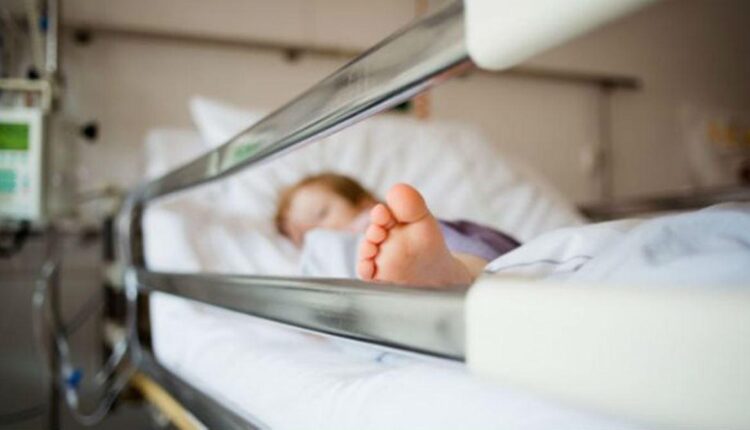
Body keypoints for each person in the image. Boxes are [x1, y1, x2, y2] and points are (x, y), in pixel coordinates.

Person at [275, 173, 520, 286]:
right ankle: (442, 280)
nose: (318, 233)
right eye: (304, 235)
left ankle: (455, 273)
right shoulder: (321, 261)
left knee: (424, 242)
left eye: (322, 214)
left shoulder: (382, 228)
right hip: (382, 284)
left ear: (365, 203)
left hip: (454, 251)